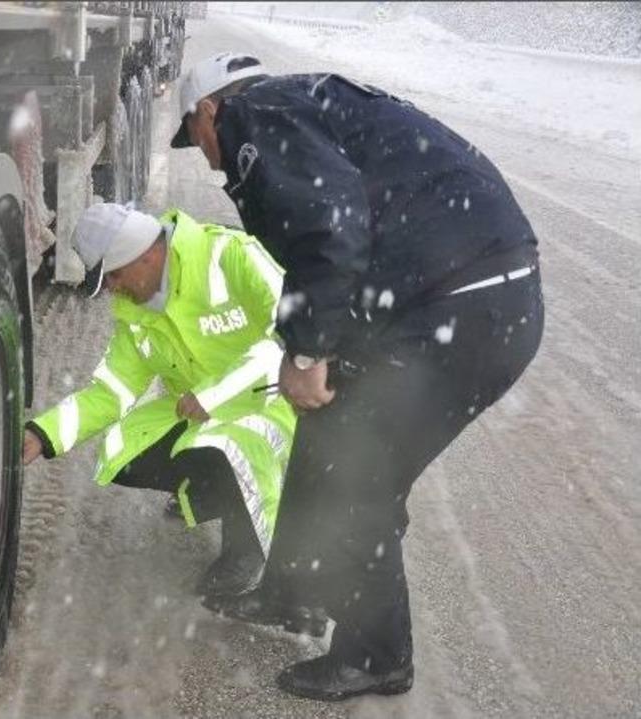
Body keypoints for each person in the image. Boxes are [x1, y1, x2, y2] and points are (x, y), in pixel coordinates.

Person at [170, 53, 544, 700]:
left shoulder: (255, 115)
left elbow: (330, 230)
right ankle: (293, 595)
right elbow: (335, 236)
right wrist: (307, 347)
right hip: (469, 297)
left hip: (464, 305)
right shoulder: (300, 106)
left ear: (210, 109)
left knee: (358, 471)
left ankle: (378, 655)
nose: (205, 157)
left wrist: (307, 353)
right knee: (323, 433)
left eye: (195, 136)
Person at [23, 203, 301, 601]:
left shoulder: (231, 256)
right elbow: (110, 392)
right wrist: (42, 433)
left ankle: (248, 547)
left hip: (274, 405)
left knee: (235, 445)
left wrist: (215, 394)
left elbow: (294, 335)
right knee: (124, 452)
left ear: (147, 255)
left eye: (114, 275)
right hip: (202, 414)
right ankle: (215, 492)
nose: (113, 288)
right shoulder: (136, 317)